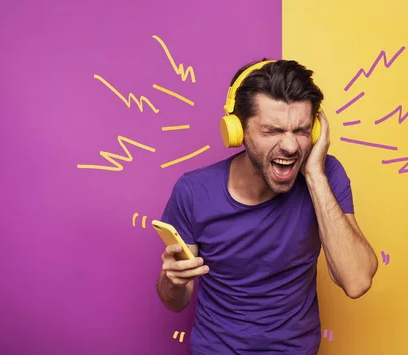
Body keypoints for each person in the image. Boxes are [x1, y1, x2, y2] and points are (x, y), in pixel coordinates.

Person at [156, 58, 378, 355]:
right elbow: (175, 301)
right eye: (273, 131)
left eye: (301, 130)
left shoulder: (325, 175)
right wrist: (172, 282)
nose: (290, 146)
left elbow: (356, 281)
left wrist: (314, 175)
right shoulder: (193, 192)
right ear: (237, 131)